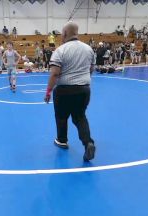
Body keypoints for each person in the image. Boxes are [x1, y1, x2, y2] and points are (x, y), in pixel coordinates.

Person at [44, 21, 96, 162]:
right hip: (84, 89)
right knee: (80, 117)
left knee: (61, 116)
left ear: (65, 33)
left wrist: (48, 91)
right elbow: (91, 69)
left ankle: (62, 140)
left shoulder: (60, 50)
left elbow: (55, 74)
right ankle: (88, 143)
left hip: (64, 90)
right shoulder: (88, 49)